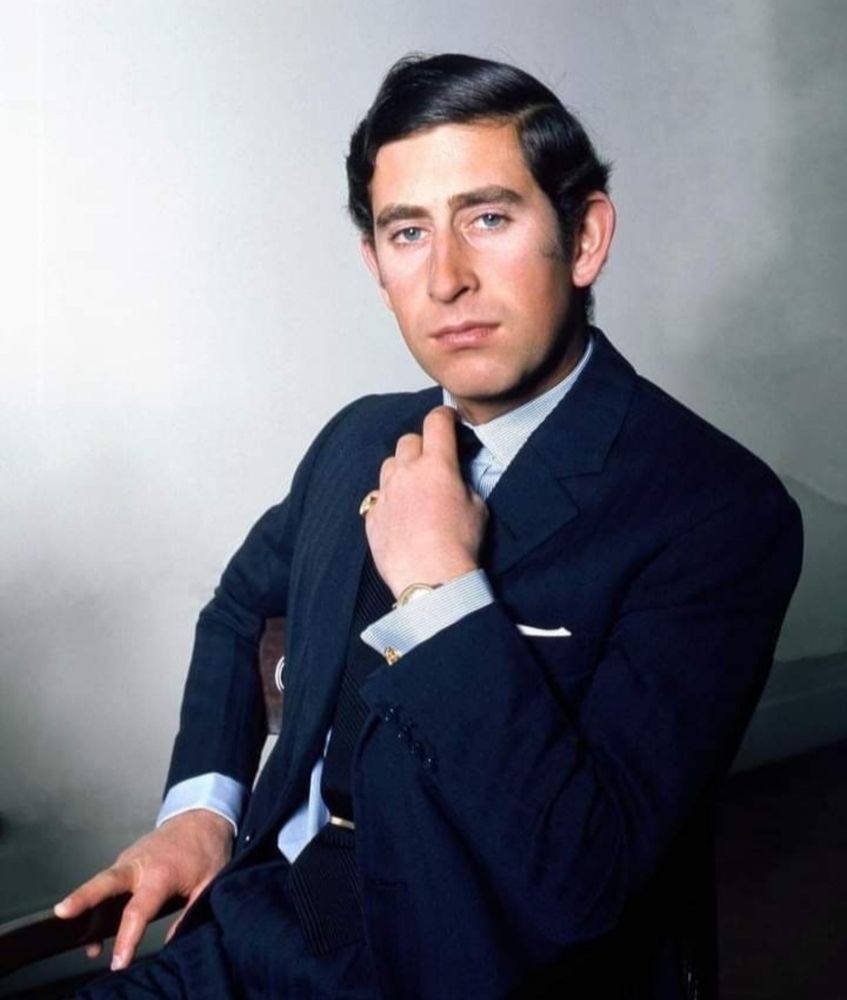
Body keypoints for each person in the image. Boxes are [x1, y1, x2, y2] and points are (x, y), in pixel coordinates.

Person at [57, 53, 802, 998]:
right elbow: (240, 609)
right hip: (248, 934)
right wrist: (200, 812)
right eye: (408, 232)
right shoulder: (357, 440)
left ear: (582, 239)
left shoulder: (715, 512)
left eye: (488, 218)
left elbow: (587, 881)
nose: (446, 278)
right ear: (376, 268)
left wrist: (440, 591)